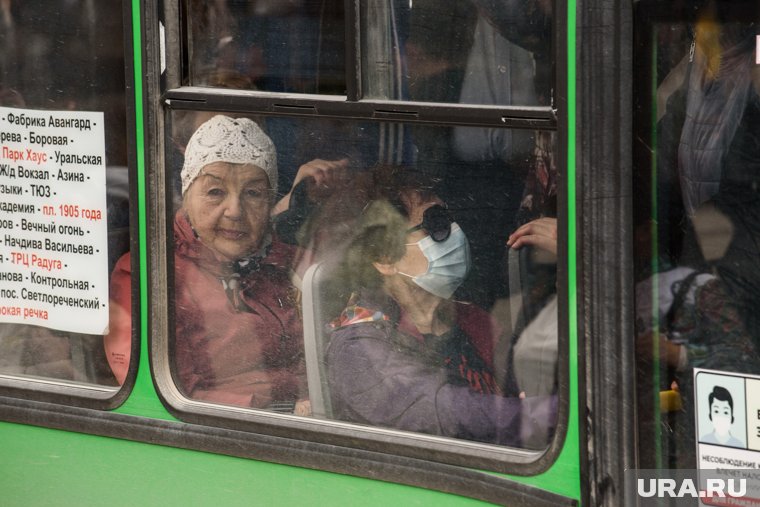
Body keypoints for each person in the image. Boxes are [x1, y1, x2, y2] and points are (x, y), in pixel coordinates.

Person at [324, 167, 556, 448]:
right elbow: (444, 413)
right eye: (435, 223)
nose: (455, 233)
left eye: (449, 218)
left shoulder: (474, 320)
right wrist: (554, 414)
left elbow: (537, 380)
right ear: (384, 257)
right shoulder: (358, 347)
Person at [105, 115, 309, 414]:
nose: (235, 210)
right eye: (215, 192)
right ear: (187, 197)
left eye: (253, 193)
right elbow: (171, 398)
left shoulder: (292, 262)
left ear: (269, 203)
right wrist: (284, 409)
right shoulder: (150, 275)